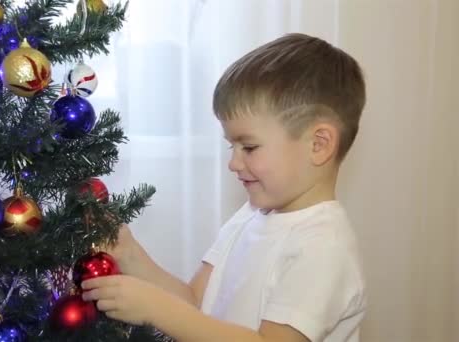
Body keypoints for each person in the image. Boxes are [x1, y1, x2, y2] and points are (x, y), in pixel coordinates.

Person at [82, 33, 367, 342]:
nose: (233, 163)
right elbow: (195, 305)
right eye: (231, 145)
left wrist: (157, 309)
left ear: (318, 145)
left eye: (249, 147)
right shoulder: (249, 216)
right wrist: (131, 256)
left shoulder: (323, 247)